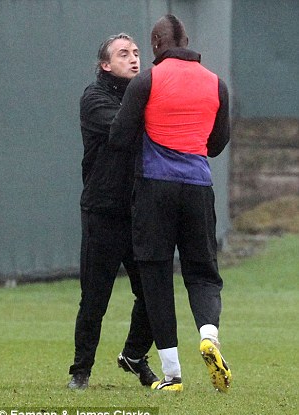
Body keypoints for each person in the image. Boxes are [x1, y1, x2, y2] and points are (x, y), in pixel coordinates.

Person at [109, 15, 232, 392]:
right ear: (188, 40)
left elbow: (119, 137)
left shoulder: (147, 80)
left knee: (156, 275)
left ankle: (172, 375)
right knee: (203, 272)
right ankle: (209, 334)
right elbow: (217, 143)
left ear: (155, 44)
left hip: (154, 190)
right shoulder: (216, 84)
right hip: (198, 188)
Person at [68, 33, 158, 390]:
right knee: (94, 297)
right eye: (123, 54)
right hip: (103, 212)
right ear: (106, 65)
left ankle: (135, 356)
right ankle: (80, 371)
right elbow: (126, 130)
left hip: (140, 213)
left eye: (137, 53)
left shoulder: (146, 97)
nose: (134, 59)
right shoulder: (94, 98)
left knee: (153, 295)